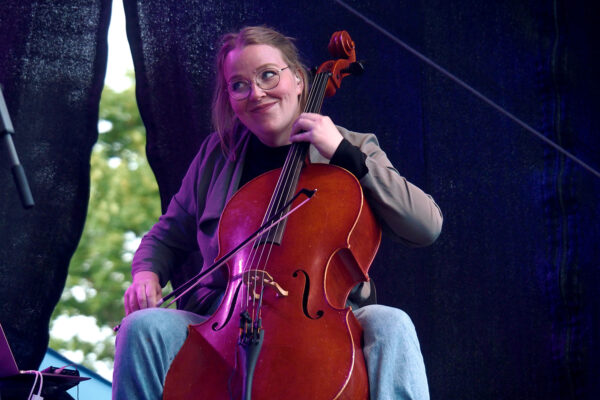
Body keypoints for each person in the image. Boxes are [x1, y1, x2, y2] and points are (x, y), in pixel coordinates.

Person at [112, 26, 443, 400]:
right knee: (141, 327)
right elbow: (167, 235)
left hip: (329, 316)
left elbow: (426, 225)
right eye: (239, 85)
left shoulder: (352, 147)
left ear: (299, 80)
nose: (256, 93)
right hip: (224, 317)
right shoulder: (216, 156)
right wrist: (146, 273)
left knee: (392, 323)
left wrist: (347, 157)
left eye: (268, 75)